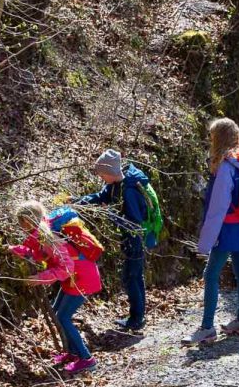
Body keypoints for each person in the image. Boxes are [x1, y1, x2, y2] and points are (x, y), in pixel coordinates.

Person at [188, 118, 239, 345]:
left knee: (210, 274)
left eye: (212, 137)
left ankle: (207, 328)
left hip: (226, 228)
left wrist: (205, 240)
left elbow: (218, 207)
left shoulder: (226, 167)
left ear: (219, 139)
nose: (210, 141)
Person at [9, 200, 100, 374]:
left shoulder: (49, 236)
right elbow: (39, 254)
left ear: (27, 221)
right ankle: (72, 353)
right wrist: (14, 249)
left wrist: (40, 278)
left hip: (82, 278)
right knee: (57, 312)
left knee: (63, 317)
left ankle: (86, 358)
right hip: (75, 278)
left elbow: (66, 268)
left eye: (21, 222)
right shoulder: (42, 232)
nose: (20, 227)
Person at [73, 150, 151, 332]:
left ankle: (136, 319)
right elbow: (100, 197)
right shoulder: (116, 185)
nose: (101, 177)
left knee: (131, 277)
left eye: (102, 174)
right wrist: (77, 201)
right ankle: (138, 316)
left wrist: (111, 214)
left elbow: (133, 222)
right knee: (134, 276)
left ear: (111, 172)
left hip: (135, 240)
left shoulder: (128, 191)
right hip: (129, 238)